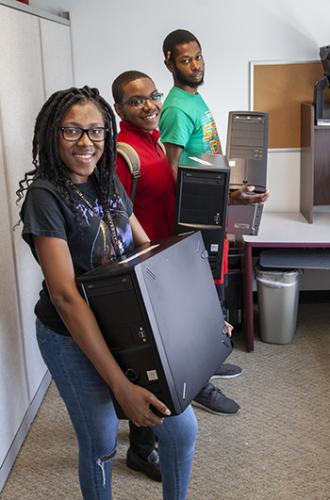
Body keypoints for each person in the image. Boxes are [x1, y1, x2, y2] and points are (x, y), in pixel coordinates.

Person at [16, 85, 197, 500]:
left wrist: (195, 313)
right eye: (72, 131)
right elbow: (64, 296)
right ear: (52, 134)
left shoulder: (106, 180)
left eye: (96, 131)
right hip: (69, 336)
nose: (86, 142)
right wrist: (119, 385)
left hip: (124, 326)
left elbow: (147, 251)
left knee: (180, 429)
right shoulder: (45, 197)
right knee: (100, 444)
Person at [111, 70, 242, 483]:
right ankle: (141, 449)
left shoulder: (152, 143)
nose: (149, 106)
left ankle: (153, 432)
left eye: (153, 97)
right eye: (137, 101)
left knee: (171, 355)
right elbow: (118, 219)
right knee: (149, 360)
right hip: (147, 272)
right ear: (119, 109)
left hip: (169, 261)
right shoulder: (122, 154)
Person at [159, 29, 270, 414]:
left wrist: (234, 190)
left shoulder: (193, 97)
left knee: (214, 293)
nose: (195, 65)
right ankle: (200, 384)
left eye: (198, 56)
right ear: (169, 61)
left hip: (212, 210)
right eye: (186, 59)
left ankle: (212, 357)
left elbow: (203, 159)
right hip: (195, 218)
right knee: (200, 300)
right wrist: (228, 197)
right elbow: (171, 172)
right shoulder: (175, 108)